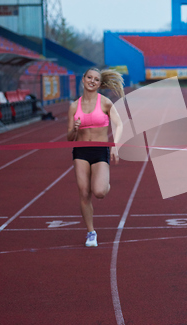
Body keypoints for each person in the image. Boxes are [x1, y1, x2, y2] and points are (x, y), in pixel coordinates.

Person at [67, 68, 124, 247]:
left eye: (96, 79)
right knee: (84, 193)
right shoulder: (74, 106)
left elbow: (119, 124)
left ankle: (105, 183)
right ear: (83, 79)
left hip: (100, 151)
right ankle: (91, 232)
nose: (92, 81)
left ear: (100, 84)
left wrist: (115, 145)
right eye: (89, 77)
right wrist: (75, 129)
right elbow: (69, 137)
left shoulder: (105, 103)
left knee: (99, 192)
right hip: (81, 152)